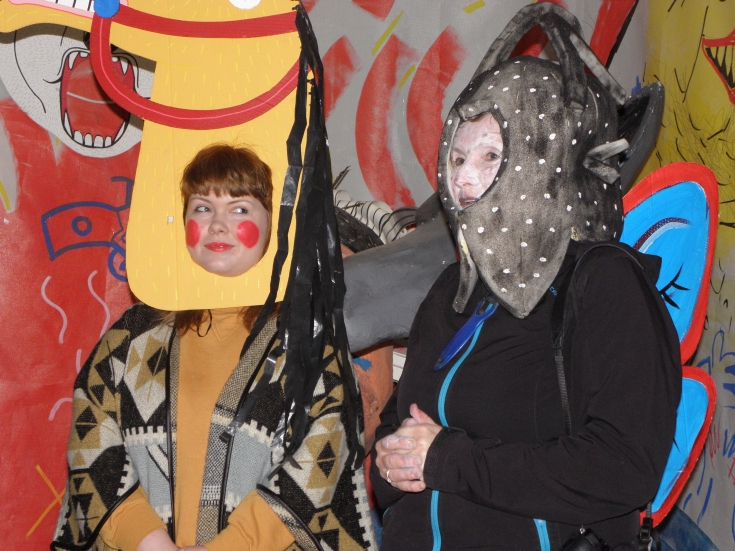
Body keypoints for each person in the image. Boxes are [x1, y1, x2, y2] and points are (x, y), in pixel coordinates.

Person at [370, 5, 681, 551]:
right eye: (457, 158)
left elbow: (623, 466)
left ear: (545, 158)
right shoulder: (451, 291)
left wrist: (448, 459)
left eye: (491, 155)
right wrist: (388, 464)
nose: (464, 181)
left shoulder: (603, 284)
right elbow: (399, 424)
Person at [52, 144, 373, 551]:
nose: (218, 224)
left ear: (273, 225)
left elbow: (318, 469)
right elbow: (91, 447)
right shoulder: (131, 338)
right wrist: (149, 543)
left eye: (240, 209)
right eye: (203, 208)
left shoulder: (308, 347)